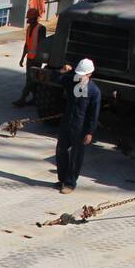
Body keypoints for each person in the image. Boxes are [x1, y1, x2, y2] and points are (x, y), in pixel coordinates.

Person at [55, 58, 100, 193]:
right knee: (61, 150)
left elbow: (94, 114)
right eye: (78, 74)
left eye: (83, 75)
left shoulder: (94, 91)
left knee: (76, 155)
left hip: (80, 127)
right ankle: (62, 179)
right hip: (67, 122)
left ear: (90, 74)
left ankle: (70, 183)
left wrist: (90, 132)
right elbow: (57, 79)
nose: (80, 77)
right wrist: (62, 71)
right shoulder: (71, 81)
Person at [13, 8, 47, 106]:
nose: (28, 20)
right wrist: (22, 57)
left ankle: (23, 98)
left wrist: (39, 57)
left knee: (31, 79)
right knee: (32, 79)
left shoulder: (41, 29)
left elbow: (42, 44)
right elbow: (27, 44)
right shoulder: (28, 28)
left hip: (36, 59)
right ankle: (35, 98)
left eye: (30, 18)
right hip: (29, 58)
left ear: (35, 18)